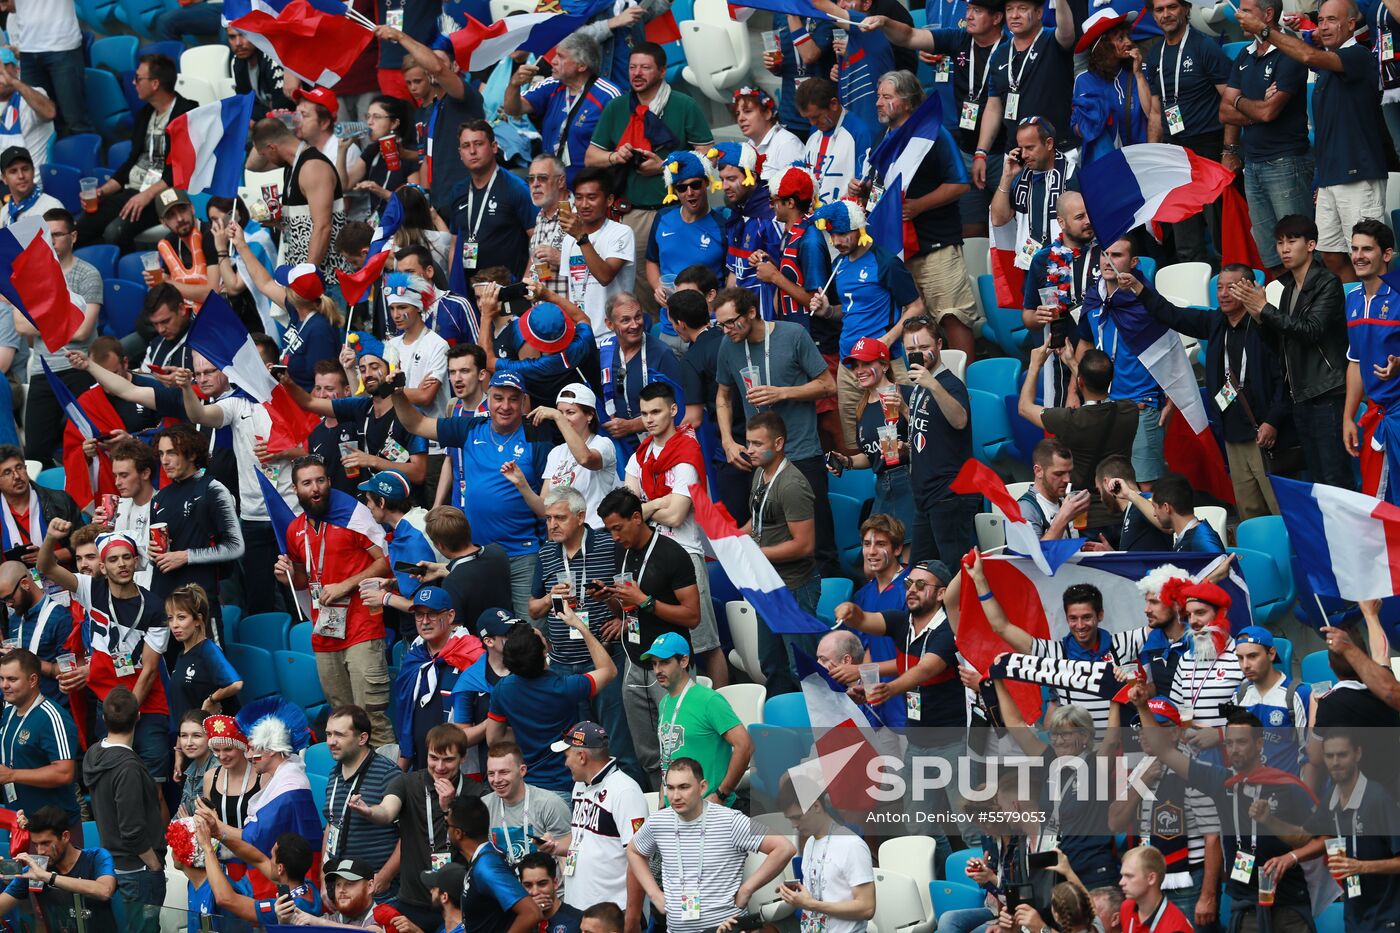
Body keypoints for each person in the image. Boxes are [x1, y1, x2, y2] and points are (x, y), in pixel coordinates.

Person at [1134, 687, 1316, 933]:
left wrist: (1271, 822)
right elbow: (1165, 752)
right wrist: (1143, 707)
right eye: (1229, 743)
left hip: (1287, 902)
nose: (1234, 749)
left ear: (1260, 743)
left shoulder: (1286, 785)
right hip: (1245, 903)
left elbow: (1314, 841)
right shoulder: (1221, 781)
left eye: (1241, 742)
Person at [1126, 263, 1288, 520]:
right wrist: (1139, 288)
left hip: (1265, 433)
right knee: (1249, 510)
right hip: (1233, 434)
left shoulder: (1264, 327)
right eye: (1220, 287)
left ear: (1249, 288)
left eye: (1231, 287)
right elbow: (1171, 314)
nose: (1223, 293)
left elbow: (1285, 379)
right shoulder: (1215, 322)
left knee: (1280, 508)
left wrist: (1273, 420)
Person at [834, 559, 966, 871]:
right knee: (919, 825)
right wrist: (850, 612)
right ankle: (942, 883)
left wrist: (889, 689)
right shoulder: (901, 622)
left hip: (957, 743)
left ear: (941, 593)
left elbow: (923, 670)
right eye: (909, 584)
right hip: (919, 742)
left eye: (922, 585)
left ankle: (986, 887)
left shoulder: (947, 631)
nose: (912, 590)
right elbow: (866, 619)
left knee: (970, 825)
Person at [1244, 0, 1385, 280]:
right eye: (1320, 20)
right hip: (1331, 177)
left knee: (1366, 255)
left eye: (1332, 20)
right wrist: (1320, 179)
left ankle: (1379, 318)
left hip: (1358, 174)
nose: (1324, 26)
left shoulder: (1358, 55)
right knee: (1330, 254)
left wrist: (1265, 30)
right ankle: (1350, 314)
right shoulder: (1327, 66)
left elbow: (1308, 57)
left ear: (1351, 25)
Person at [393, 371, 551, 621]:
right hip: (479, 555)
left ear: (523, 401)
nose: (505, 406)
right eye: (499, 397)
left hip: (523, 554)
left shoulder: (537, 436)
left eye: (513, 399)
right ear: (488, 399)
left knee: (529, 631)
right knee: (485, 629)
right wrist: (397, 394)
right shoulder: (470, 427)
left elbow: (548, 505)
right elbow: (416, 424)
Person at [861, 0, 1008, 238]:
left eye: (977, 11)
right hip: (967, 148)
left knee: (1008, 224)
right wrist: (885, 23)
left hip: (1004, 152)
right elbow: (909, 36)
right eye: (968, 9)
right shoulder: (959, 39)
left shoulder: (1010, 47)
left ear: (997, 18)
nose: (968, 16)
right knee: (971, 227)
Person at [276, 457, 394, 746]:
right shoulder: (295, 530)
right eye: (307, 483)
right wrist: (287, 575)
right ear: (295, 489)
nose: (315, 488)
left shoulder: (354, 516)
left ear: (329, 481)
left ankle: (390, 787)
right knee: (342, 721)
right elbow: (304, 580)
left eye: (320, 480)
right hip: (325, 634)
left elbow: (385, 562)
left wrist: (346, 585)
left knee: (371, 718)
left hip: (362, 628)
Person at [40, 525, 172, 782]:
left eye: (126, 557)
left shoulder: (155, 607)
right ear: (103, 566)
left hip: (146, 705)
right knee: (113, 786)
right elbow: (46, 567)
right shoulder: (91, 588)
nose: (121, 564)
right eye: (113, 559)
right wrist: (49, 538)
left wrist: (129, 711)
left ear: (135, 561)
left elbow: (150, 668)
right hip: (108, 703)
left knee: (151, 789)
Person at [864, 71, 980, 360]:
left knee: (952, 317)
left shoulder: (934, 134)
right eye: (879, 96)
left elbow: (960, 183)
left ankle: (961, 386)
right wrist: (864, 188)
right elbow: (881, 189)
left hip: (937, 246)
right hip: (901, 251)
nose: (878, 103)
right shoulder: (883, 137)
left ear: (907, 102)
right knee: (915, 325)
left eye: (886, 97)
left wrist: (919, 205)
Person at [528, 486, 638, 780]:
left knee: (617, 740)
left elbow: (631, 593)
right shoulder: (546, 553)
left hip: (603, 660)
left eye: (560, 518)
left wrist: (624, 621)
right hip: (564, 665)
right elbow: (533, 609)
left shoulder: (607, 544)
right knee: (580, 746)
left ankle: (632, 807)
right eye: (548, 518)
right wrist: (549, 595)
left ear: (580, 517)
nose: (552, 524)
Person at [585, 42, 714, 287]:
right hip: (634, 211)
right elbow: (591, 156)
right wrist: (616, 157)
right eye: (633, 67)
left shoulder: (684, 105)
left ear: (662, 71)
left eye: (645, 67)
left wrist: (666, 166)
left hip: (679, 208)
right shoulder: (617, 107)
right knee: (641, 282)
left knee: (684, 275)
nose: (637, 73)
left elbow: (708, 156)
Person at [595, 483, 702, 779]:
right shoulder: (623, 552)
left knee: (681, 751)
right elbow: (626, 609)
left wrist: (646, 601)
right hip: (634, 663)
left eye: (618, 528)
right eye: (610, 531)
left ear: (637, 518)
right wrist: (612, 599)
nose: (615, 537)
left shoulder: (672, 554)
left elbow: (693, 616)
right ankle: (660, 811)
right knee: (648, 754)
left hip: (671, 664)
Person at [621, 384, 725, 686]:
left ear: (673, 410)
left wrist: (645, 509)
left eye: (656, 411)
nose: (650, 419)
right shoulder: (639, 455)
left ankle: (723, 708)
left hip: (685, 552)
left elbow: (678, 515)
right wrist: (656, 504)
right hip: (649, 555)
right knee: (663, 645)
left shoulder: (687, 450)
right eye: (644, 413)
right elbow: (630, 514)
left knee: (705, 643)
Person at [175, 361, 293, 617]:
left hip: (290, 512)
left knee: (296, 591)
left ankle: (305, 650)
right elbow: (200, 416)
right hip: (252, 515)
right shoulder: (237, 402)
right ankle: (269, 653)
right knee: (258, 595)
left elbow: (311, 446)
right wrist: (186, 388)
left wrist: (283, 451)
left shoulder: (290, 400)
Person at [628, 757, 795, 933]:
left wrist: (748, 888)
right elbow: (634, 851)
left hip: (725, 928)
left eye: (684, 787)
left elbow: (784, 847)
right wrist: (654, 894)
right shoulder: (658, 821)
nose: (676, 796)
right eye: (670, 788)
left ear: (702, 787)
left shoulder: (731, 820)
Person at [348, 724, 485, 933]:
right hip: (413, 901)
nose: (439, 767)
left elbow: (475, 842)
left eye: (448, 759)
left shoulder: (477, 793)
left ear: (463, 758)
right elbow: (386, 811)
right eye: (433, 758)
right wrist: (369, 811)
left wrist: (450, 807)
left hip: (459, 903)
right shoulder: (407, 782)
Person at [808, 199, 923, 448]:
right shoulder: (839, 264)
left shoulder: (886, 262)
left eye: (842, 234)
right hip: (848, 364)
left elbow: (916, 307)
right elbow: (850, 310)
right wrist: (828, 311)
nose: (836, 241)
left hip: (885, 363)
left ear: (859, 229)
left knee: (895, 438)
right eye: (832, 235)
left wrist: (887, 340)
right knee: (855, 441)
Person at [1106, 698, 1222, 927]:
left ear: (1175, 733)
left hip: (1187, 882)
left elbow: (1213, 837)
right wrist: (1143, 782)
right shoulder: (1141, 768)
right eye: (1142, 729)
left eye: (1156, 728)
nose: (1145, 734)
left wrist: (1207, 896)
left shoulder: (1193, 770)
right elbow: (1114, 821)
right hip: (1150, 883)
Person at [1222, 0, 1315, 277]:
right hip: (1253, 166)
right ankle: (1284, 312)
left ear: (1268, 15)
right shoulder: (1244, 55)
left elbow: (1269, 111)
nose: (1239, 16)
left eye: (1246, 11)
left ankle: (1310, 313)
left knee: (1300, 251)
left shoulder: (1289, 54)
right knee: (1271, 254)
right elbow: (1224, 111)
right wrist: (1254, 108)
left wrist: (1239, 101)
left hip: (1287, 163)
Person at [487, 607, 617, 800]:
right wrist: (580, 626)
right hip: (566, 786)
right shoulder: (566, 687)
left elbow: (493, 739)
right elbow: (609, 670)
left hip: (528, 789)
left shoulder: (503, 689)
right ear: (544, 650)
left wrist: (525, 730)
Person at [76, 54, 195, 250]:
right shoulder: (145, 114)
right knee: (80, 230)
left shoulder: (186, 113)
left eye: (138, 78)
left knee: (114, 232)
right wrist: (102, 191)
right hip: (133, 190)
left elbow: (180, 170)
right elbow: (132, 161)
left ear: (155, 83)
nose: (133, 82)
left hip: (161, 195)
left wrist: (146, 195)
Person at [1018, 346, 1139, 536]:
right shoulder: (1130, 411)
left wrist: (1035, 364)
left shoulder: (1069, 420)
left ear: (1080, 382)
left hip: (1086, 519)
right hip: (1125, 513)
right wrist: (1074, 365)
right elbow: (1100, 394)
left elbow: (1024, 407)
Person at [1144, 0, 1230, 263]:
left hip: (1209, 149)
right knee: (1185, 239)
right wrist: (1154, 159)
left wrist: (1229, 149)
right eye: (1159, 10)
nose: (1166, 14)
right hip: (1176, 154)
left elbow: (1230, 102)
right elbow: (1157, 112)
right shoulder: (1155, 53)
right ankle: (1190, 300)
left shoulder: (1204, 47)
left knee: (1221, 235)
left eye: (1171, 7)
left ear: (1185, 8)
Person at [14, 206, 99, 467]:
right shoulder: (31, 277)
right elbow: (21, 326)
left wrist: (42, 322)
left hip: (79, 367)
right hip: (43, 370)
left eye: (58, 235)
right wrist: (63, 323)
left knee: (88, 445)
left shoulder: (88, 274)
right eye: (46, 236)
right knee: (34, 452)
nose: (52, 242)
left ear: (73, 237)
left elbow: (83, 331)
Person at [742, 412, 820, 692]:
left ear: (778, 444)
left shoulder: (792, 485)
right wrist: (736, 539)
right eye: (748, 442)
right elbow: (758, 519)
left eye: (756, 444)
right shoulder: (760, 474)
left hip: (795, 588)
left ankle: (815, 732)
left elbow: (804, 545)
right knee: (771, 664)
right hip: (768, 586)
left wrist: (756, 554)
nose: (749, 450)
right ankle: (785, 729)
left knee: (803, 671)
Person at [83, 687, 168, 933]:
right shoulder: (128, 768)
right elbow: (131, 829)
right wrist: (154, 865)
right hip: (137, 869)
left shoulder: (93, 753)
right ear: (138, 716)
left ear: (103, 718)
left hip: (115, 863)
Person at [542, 721, 647, 919]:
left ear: (581, 756)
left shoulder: (625, 791)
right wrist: (555, 846)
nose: (565, 763)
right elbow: (583, 840)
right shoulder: (579, 785)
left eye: (567, 756)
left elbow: (638, 859)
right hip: (577, 908)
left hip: (611, 913)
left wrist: (632, 918)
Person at [1298, 731, 1400, 928]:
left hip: (1387, 917)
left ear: (1357, 754)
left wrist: (1361, 866)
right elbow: (1305, 835)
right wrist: (1269, 821)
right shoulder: (1331, 799)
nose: (1335, 762)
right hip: (1355, 914)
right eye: (1329, 756)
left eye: (1342, 755)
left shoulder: (1378, 798)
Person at [147, 424, 245, 616]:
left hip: (199, 602)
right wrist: (151, 553)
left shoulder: (214, 489)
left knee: (207, 648)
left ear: (191, 455)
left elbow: (236, 546)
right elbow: (159, 558)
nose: (164, 461)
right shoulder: (159, 498)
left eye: (171, 453)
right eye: (160, 454)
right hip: (163, 601)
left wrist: (186, 556)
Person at [901, 317, 976, 565]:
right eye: (911, 349)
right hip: (925, 499)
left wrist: (932, 384)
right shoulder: (919, 387)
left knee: (959, 573)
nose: (917, 354)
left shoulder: (950, 384)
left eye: (923, 347)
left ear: (939, 344)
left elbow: (960, 420)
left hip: (950, 498)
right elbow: (929, 431)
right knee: (919, 577)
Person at [643, 631, 751, 800]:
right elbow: (668, 756)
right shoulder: (665, 703)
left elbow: (745, 745)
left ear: (684, 661)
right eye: (654, 664)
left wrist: (721, 794)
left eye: (664, 662)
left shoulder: (709, 700)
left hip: (709, 811)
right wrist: (663, 800)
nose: (658, 670)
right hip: (677, 812)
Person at [975, 0, 1077, 179]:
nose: (1014, 15)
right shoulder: (1000, 54)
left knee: (1062, 206)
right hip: (1017, 156)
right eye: (1009, 9)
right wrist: (981, 152)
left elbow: (1067, 32)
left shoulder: (1052, 40)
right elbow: (993, 106)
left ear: (1039, 13)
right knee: (1017, 206)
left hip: (1058, 152)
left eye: (1022, 9)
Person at [230, 232, 343, 392]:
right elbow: (265, 283)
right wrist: (241, 244)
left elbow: (321, 385)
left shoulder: (320, 330)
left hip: (307, 409)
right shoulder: (300, 310)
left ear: (293, 295)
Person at [826, 339, 915, 541]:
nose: (859, 370)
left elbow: (928, 434)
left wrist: (904, 410)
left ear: (884, 365)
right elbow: (871, 456)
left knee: (909, 552)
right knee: (877, 550)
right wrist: (846, 461)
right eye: (856, 365)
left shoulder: (907, 394)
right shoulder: (862, 407)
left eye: (866, 364)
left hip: (909, 480)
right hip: (883, 485)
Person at [505, 34, 621, 187]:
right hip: (551, 187)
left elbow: (621, 147)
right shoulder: (552, 84)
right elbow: (513, 109)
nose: (553, 61)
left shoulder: (608, 95)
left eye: (560, 57)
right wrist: (514, 84)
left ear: (581, 66)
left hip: (587, 191)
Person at [247, 118, 349, 276]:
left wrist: (307, 275)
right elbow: (252, 165)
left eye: (265, 154)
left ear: (272, 147)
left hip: (326, 277)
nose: (265, 159)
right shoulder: (292, 165)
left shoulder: (312, 167)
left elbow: (323, 227)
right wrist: (282, 222)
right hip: (300, 271)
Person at [1344, 219, 1400, 502]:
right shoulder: (1352, 299)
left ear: (1387, 254)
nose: (1358, 256)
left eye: (1367, 249)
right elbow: (1355, 362)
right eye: (1354, 249)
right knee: (1381, 504)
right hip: (1376, 414)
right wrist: (1348, 417)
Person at [647, 153, 726, 349]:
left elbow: (731, 277)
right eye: (682, 187)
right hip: (670, 327)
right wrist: (657, 287)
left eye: (695, 185)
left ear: (706, 183)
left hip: (707, 329)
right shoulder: (663, 218)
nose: (689, 192)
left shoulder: (722, 225)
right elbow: (651, 260)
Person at [776, 779, 876, 933]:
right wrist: (796, 894)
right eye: (790, 818)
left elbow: (867, 908)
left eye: (797, 817)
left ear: (816, 806)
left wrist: (811, 904)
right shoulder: (810, 843)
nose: (793, 825)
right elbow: (823, 893)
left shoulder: (851, 844)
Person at [0, 804, 118, 933]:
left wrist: (48, 877)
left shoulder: (97, 857)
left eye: (46, 843)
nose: (40, 851)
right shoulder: (36, 870)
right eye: (35, 844)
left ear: (65, 836)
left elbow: (104, 891)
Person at [447, 120, 537, 290]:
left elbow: (537, 237)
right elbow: (454, 244)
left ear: (494, 147)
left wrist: (525, 284)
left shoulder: (515, 188)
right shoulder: (458, 192)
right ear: (460, 153)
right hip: (470, 292)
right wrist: (454, 290)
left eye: (478, 144)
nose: (472, 151)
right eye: (466, 146)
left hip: (507, 290)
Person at [0, 650, 81, 835]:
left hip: (53, 833)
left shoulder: (52, 717)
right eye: (1, 678)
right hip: (20, 824)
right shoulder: (9, 712)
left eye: (12, 679)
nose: (4, 685)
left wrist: (12, 775)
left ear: (33, 680)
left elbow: (64, 772)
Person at [321, 706, 400, 889]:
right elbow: (331, 823)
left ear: (362, 738)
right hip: (340, 888)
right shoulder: (334, 774)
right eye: (328, 734)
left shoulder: (388, 774)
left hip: (377, 891)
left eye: (339, 735)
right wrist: (324, 879)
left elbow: (408, 834)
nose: (331, 742)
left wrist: (383, 878)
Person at [445, 795, 544, 933]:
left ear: (458, 833)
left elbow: (531, 913)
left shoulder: (487, 867)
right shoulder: (488, 855)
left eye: (446, 825)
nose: (446, 830)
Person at [989, 118, 1075, 271]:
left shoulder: (1072, 176)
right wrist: (1007, 176)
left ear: (1049, 144)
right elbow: (998, 218)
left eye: (1029, 148)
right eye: (1021, 148)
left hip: (1067, 267)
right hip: (1029, 266)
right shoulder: (1020, 178)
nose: (1024, 154)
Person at [558, 167, 636, 336]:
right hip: (580, 336)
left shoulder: (621, 233)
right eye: (579, 198)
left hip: (613, 336)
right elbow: (568, 291)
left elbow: (605, 277)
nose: (584, 204)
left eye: (592, 197)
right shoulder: (568, 240)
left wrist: (580, 236)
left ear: (609, 200)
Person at [1164, 581, 1244, 736]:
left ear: (1222, 613)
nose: (1193, 621)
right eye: (1189, 615)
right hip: (1190, 753)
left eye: (1200, 613)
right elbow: (1174, 710)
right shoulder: (1185, 659)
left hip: (1230, 753)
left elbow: (1252, 716)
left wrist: (1219, 736)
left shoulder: (1242, 657)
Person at [1071, 10, 1151, 164]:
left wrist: (1139, 74)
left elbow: (1151, 114)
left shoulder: (1140, 69)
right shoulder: (1084, 81)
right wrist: (1090, 122)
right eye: (1120, 38)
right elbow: (1076, 128)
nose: (1128, 42)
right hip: (1109, 166)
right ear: (1102, 46)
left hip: (1143, 160)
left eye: (1127, 36)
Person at [533, 385, 619, 527]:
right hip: (563, 536)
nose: (563, 418)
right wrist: (520, 483)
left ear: (589, 415)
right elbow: (545, 508)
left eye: (570, 412)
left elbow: (585, 458)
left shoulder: (603, 444)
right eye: (561, 412)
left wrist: (557, 416)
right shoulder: (556, 453)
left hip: (594, 533)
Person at [1229, 627, 1310, 776]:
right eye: (1240, 658)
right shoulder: (1238, 695)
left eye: (1252, 656)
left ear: (1271, 653)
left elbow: (1309, 756)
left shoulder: (1299, 694)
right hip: (1251, 791)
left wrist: (1303, 796)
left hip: (1287, 792)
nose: (1245, 665)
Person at [707, 142, 781, 302]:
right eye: (722, 179)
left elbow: (782, 278)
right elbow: (734, 273)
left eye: (732, 179)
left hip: (765, 315)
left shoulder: (773, 217)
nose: (725, 186)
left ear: (752, 176)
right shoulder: (737, 215)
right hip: (739, 313)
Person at [759, 164, 830, 329]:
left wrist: (775, 276)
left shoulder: (810, 240)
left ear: (790, 202)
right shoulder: (791, 230)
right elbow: (796, 277)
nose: (770, 206)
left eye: (773, 201)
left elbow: (817, 302)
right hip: (793, 331)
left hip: (813, 338)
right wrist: (769, 263)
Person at [483, 742, 573, 868]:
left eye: (504, 772)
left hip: (545, 886)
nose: (496, 780)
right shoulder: (483, 807)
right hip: (506, 885)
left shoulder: (549, 803)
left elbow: (569, 854)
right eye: (491, 773)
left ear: (522, 771)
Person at [831, 0, 917, 129]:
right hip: (855, 110)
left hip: (891, 99)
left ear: (867, 4)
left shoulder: (886, 11)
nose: (841, 5)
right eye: (838, 0)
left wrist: (858, 58)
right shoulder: (843, 28)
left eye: (848, 0)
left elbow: (905, 62)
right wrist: (844, 67)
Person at [165, 584, 242, 723]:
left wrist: (212, 699)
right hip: (187, 737)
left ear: (198, 620)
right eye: (170, 618)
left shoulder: (208, 649)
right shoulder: (181, 654)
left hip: (210, 737)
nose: (174, 624)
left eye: (181, 617)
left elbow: (236, 683)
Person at [0, 445, 85, 565]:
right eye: (7, 472)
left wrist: (50, 557)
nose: (17, 476)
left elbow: (85, 543)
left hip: (64, 578)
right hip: (16, 581)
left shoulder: (60, 501)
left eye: (19, 468)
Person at [797, 78, 874, 207]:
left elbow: (865, 183)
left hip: (843, 218)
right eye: (808, 118)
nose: (812, 123)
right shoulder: (815, 130)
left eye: (816, 117)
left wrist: (860, 188)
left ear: (833, 104)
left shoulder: (860, 132)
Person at [1123, 472, 1226, 553]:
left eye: (1154, 507)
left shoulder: (1202, 539)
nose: (1154, 514)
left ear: (1166, 507)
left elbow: (1223, 576)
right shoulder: (1188, 537)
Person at [151, 189, 222, 304]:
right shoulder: (170, 242)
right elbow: (164, 280)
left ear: (192, 208)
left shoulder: (211, 235)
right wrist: (156, 279)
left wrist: (168, 283)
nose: (179, 219)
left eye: (182, 210)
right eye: (171, 215)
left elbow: (212, 293)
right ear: (163, 222)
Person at [1015, 437, 1093, 540]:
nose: (1067, 479)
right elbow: (1034, 555)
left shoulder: (1065, 501)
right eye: (1059, 474)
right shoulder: (1025, 509)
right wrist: (1063, 518)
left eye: (1069, 472)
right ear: (1038, 471)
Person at [1096, 456, 1173, 551]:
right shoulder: (1133, 508)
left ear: (1106, 482)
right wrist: (1111, 553)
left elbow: (1169, 525)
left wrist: (1129, 494)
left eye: (1099, 491)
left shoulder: (1145, 498)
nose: (1101, 499)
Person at [200, 715, 259, 831]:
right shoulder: (210, 777)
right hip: (220, 846)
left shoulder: (262, 776)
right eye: (216, 750)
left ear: (242, 746)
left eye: (228, 749)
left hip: (253, 846)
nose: (221, 756)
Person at [731, 86, 803, 181]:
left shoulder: (787, 144)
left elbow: (797, 188)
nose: (741, 118)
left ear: (767, 114)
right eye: (737, 114)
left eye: (747, 111)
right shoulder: (747, 147)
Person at [1116, 847, 1194, 933]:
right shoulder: (1126, 907)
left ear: (1151, 878)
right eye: (1122, 875)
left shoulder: (1175, 928)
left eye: (1129, 876)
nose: (1121, 882)